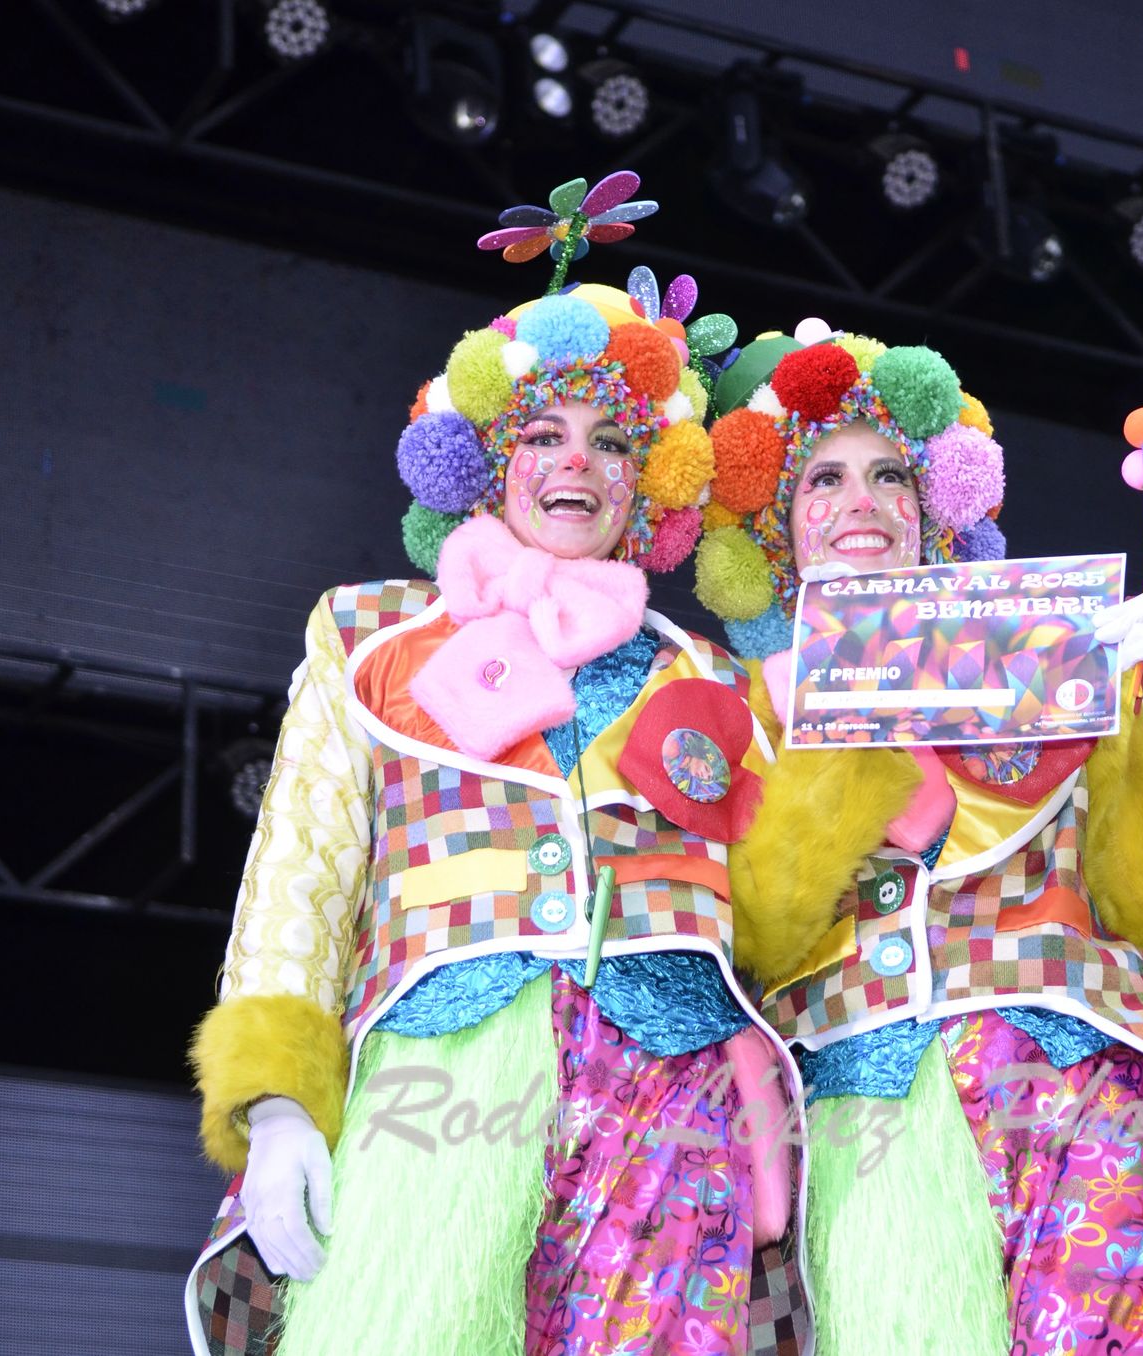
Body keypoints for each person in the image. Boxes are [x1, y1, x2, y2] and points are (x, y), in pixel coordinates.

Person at [182, 187, 805, 1356]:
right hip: (439, 1074)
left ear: (651, 480)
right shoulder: (370, 633)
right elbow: (300, 877)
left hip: (670, 1092)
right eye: (542, 435)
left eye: (613, 439)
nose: (578, 463)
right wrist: (276, 1106)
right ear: (485, 462)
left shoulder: (717, 676)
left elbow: (786, 916)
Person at [693, 321, 1143, 1356]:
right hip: (869, 1108)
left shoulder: (1040, 667)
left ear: (931, 508)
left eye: (890, 477)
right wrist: (836, 723)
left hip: (1084, 1079)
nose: (861, 502)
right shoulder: (727, 710)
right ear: (775, 524)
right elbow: (750, 936)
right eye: (822, 480)